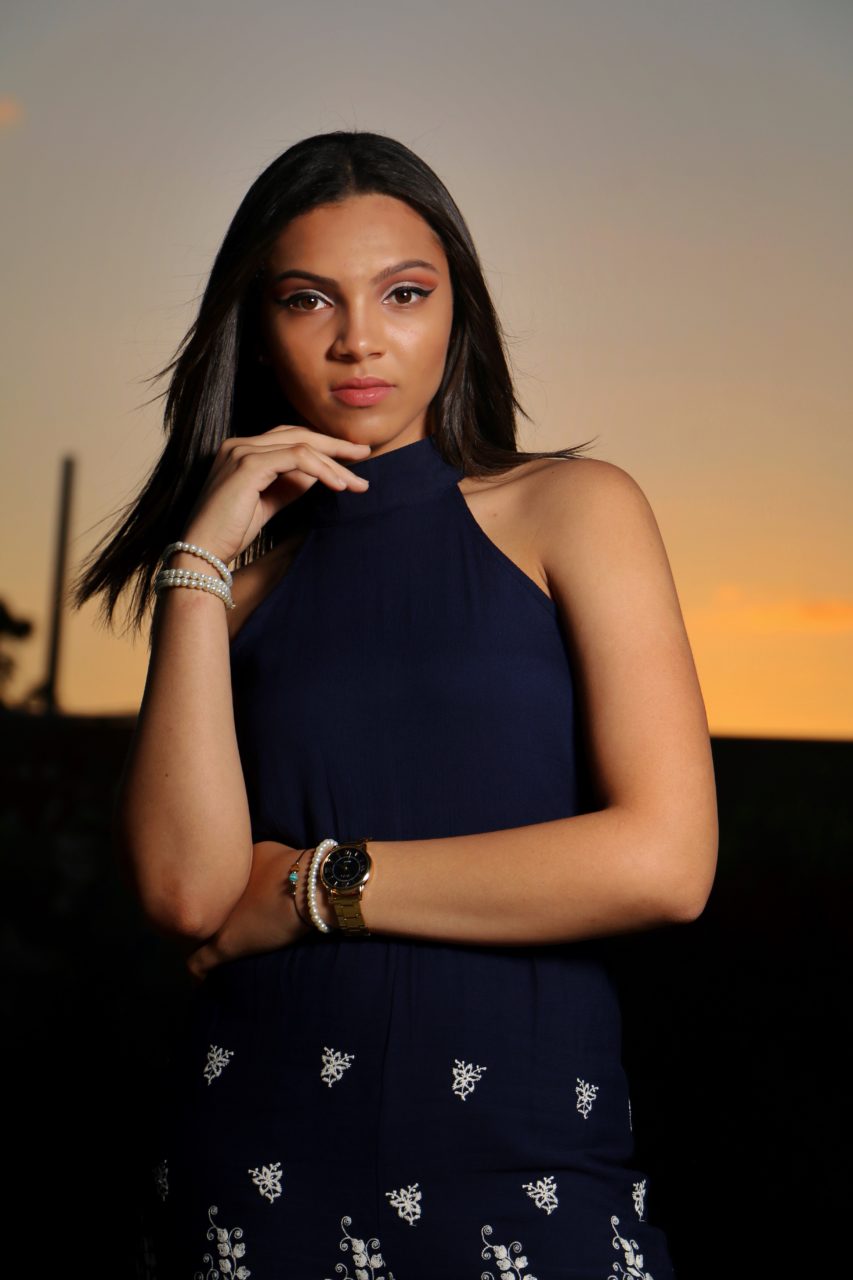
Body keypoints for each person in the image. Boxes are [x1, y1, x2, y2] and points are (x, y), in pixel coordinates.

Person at [73, 129, 717, 1279]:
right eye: (308, 298)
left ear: (457, 310)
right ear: (256, 327)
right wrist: (196, 559)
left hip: (525, 1160)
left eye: (403, 293)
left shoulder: (571, 509)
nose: (359, 338)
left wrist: (313, 887)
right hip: (253, 1166)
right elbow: (184, 890)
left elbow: (665, 861)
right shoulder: (230, 591)